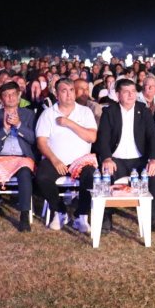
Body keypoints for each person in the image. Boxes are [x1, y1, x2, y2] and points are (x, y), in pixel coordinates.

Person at [95, 78, 155, 234]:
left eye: (133, 91)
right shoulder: (109, 112)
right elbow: (103, 138)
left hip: (139, 160)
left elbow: (152, 137)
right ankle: (106, 219)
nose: (130, 95)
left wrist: (154, 159)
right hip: (116, 159)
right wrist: (106, 157)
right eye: (126, 92)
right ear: (118, 94)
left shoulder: (143, 111)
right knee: (106, 174)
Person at [34, 78, 97, 233]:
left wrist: (69, 123)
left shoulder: (85, 111)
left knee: (90, 176)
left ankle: (81, 215)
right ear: (56, 93)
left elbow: (91, 137)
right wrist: (55, 160)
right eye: (64, 90)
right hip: (56, 159)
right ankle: (59, 211)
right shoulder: (48, 114)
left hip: (81, 160)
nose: (69, 94)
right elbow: (41, 142)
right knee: (42, 176)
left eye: (71, 90)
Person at [0, 82, 36, 232]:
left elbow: (33, 139)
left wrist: (18, 125)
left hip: (22, 156)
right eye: (6, 95)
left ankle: (24, 216)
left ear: (19, 96)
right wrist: (4, 129)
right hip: (0, 156)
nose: (10, 98)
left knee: (25, 174)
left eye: (13, 94)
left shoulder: (29, 114)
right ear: (1, 99)